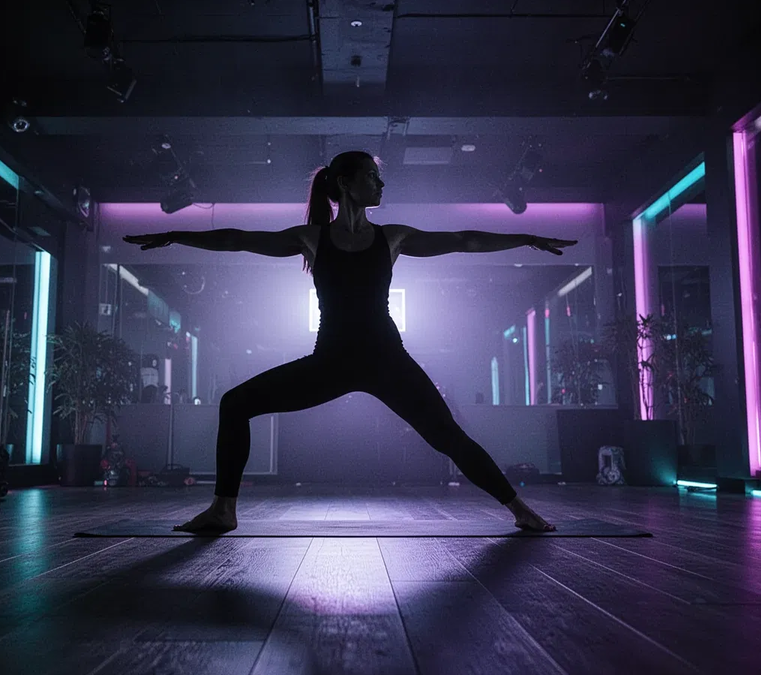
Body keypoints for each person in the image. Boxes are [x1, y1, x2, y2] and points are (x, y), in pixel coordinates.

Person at [124, 150, 576, 532]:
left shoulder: (392, 236)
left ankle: (520, 511)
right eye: (373, 177)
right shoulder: (312, 238)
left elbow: (462, 240)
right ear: (345, 183)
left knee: (448, 437)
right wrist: (175, 234)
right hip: (331, 362)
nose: (381, 184)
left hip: (387, 360)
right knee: (235, 403)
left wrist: (527, 238)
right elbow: (238, 239)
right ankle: (223, 510)